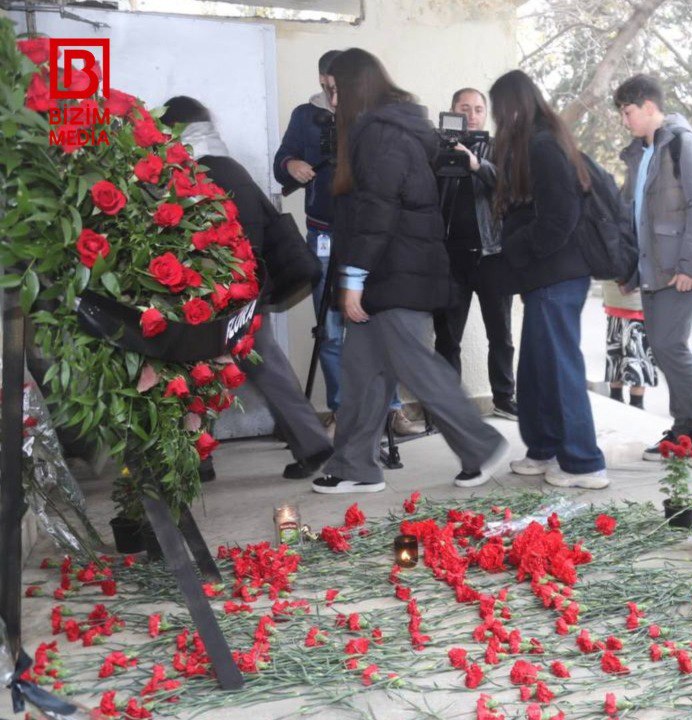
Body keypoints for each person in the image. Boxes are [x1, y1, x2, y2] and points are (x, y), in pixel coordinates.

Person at [313, 48, 508, 494]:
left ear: (353, 87)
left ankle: (479, 444)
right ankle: (354, 465)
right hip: (390, 270)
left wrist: (353, 279)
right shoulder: (383, 129)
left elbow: (377, 211)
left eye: (335, 89)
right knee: (363, 372)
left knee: (417, 365)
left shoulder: (383, 135)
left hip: (397, 272)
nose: (332, 99)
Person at [160, 96, 334, 481]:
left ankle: (199, 457)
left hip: (219, 292)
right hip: (242, 287)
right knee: (248, 365)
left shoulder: (196, 171)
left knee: (199, 369)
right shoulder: (227, 166)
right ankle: (308, 442)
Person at [274, 50, 421, 437]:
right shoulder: (306, 116)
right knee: (331, 327)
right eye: (324, 83)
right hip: (323, 234)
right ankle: (343, 411)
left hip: (368, 237)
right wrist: (291, 165)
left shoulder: (373, 119)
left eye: (335, 84)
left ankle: (390, 410)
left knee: (377, 324)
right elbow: (281, 160)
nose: (329, 91)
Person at [488, 69, 609, 489]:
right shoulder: (536, 143)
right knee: (538, 368)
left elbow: (559, 219)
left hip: (559, 276)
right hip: (546, 278)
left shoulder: (542, 145)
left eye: (497, 111)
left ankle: (583, 462)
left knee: (560, 369)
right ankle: (544, 448)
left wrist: (517, 248)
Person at [614, 74, 692, 462]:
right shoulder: (638, 155)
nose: (625, 120)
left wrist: (691, 265)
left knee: (668, 345)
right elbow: (634, 217)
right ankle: (684, 430)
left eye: (628, 112)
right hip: (653, 269)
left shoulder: (683, 144)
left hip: (682, 268)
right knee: (665, 348)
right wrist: (630, 270)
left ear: (648, 106)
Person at [432, 87, 518, 421]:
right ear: (451, 111)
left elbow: (511, 188)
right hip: (450, 259)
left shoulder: (500, 148)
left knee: (501, 335)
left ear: (486, 113)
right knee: (447, 338)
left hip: (492, 255)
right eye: (464, 108)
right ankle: (448, 406)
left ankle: (504, 398)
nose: (471, 115)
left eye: (478, 109)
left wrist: (476, 164)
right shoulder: (436, 150)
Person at [602, 279, 658, 410]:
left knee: (615, 355)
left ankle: (615, 398)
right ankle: (636, 405)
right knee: (639, 359)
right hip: (637, 303)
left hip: (613, 299)